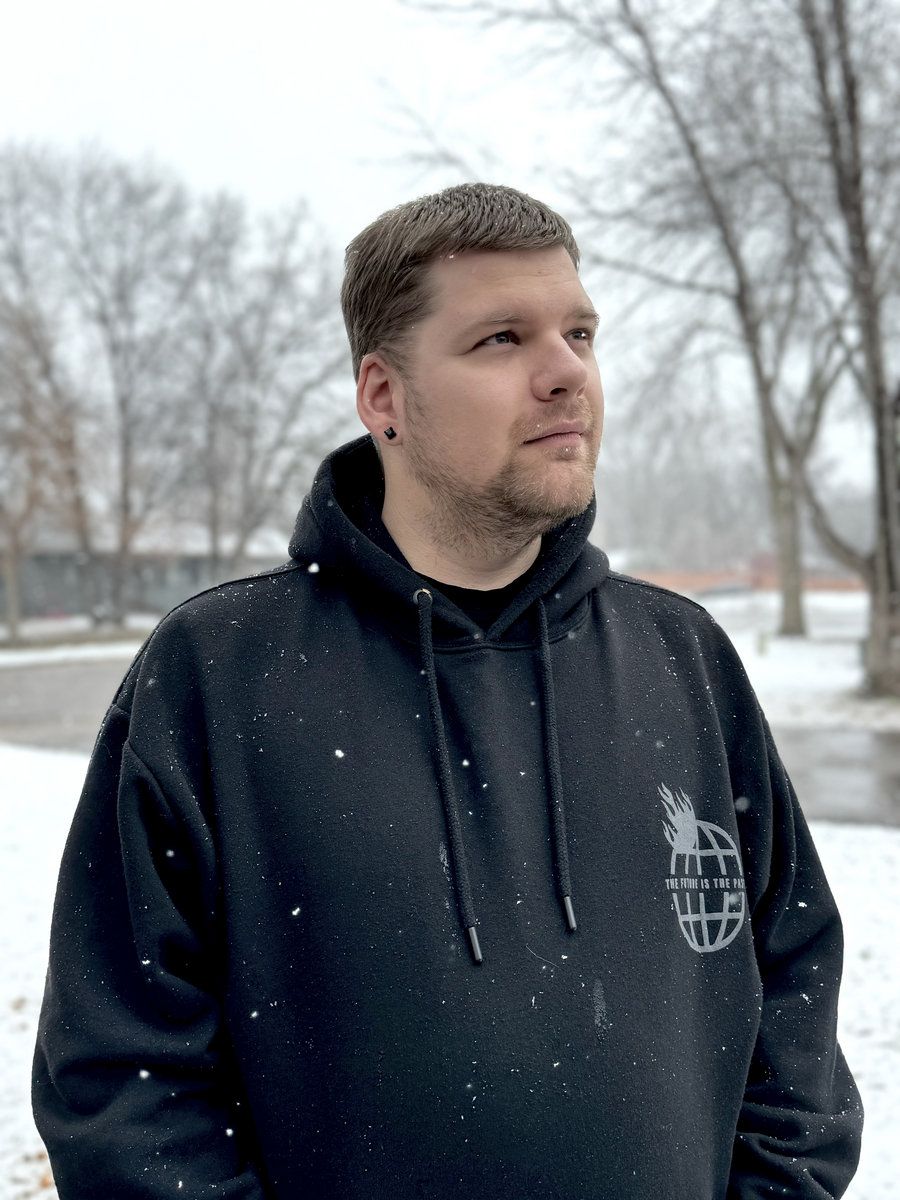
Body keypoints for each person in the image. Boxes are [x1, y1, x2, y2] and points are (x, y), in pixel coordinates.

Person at [33, 183, 862, 1198]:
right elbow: (123, 1086)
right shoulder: (219, 675)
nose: (567, 373)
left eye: (580, 333)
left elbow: (797, 997)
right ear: (383, 397)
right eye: (502, 339)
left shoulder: (681, 657)